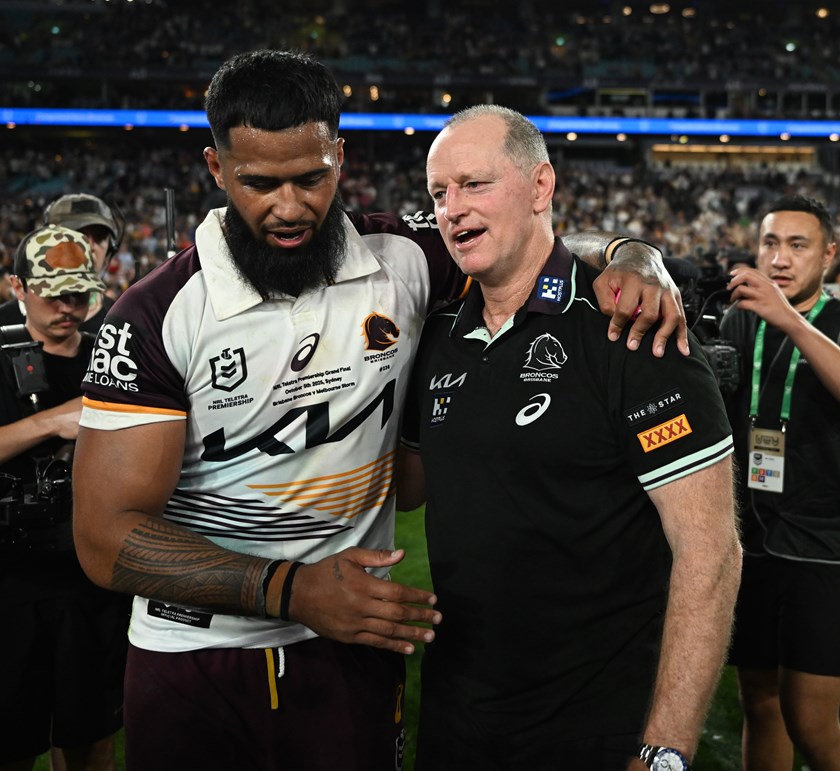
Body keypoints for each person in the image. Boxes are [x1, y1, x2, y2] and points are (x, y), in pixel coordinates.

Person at [71, 50, 687, 771]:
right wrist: (291, 590)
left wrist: (630, 252)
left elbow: (527, 244)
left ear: (340, 154)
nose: (290, 206)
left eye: (311, 177)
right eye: (258, 183)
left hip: (350, 648)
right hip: (196, 657)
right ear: (215, 168)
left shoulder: (403, 256)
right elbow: (105, 539)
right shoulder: (154, 313)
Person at [397, 105, 742, 771]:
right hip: (455, 726)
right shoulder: (437, 333)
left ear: (540, 186)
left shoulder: (633, 327)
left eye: (474, 184)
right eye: (439, 192)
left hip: (600, 732)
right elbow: (406, 488)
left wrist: (663, 749)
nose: (452, 208)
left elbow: (710, 553)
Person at [0, 225, 129, 771]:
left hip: (92, 576)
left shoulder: (116, 354)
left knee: (89, 736)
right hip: (10, 580)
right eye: (53, 295)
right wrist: (54, 420)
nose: (68, 308)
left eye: (79, 294)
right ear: (17, 286)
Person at [723, 195, 840, 771]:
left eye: (799, 245)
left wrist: (787, 318)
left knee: (811, 720)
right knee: (760, 703)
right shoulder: (736, 320)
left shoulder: (833, 321)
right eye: (771, 243)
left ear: (829, 255)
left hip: (823, 546)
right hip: (749, 540)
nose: (781, 258)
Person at [0, 194, 123, 333]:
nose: (89, 246)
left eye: (100, 237)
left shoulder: (122, 324)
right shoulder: (5, 322)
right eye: (77, 235)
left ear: (110, 250)